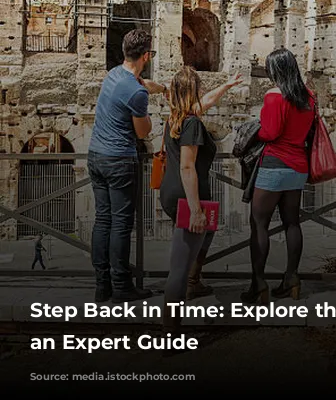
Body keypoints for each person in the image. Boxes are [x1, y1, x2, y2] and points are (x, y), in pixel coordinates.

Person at [160, 66, 243, 335]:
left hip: (172, 192)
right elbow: (187, 167)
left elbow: (204, 103)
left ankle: (194, 282)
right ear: (193, 91)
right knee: (179, 268)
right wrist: (195, 210)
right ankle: (170, 332)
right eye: (200, 87)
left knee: (206, 234)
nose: (204, 92)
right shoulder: (193, 123)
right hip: (187, 197)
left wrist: (227, 86)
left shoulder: (176, 117)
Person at [88, 28, 167, 303]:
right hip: (119, 160)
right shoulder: (136, 93)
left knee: (103, 220)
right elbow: (143, 132)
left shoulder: (113, 75)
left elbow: (137, 86)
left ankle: (102, 285)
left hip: (95, 156)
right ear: (146, 55)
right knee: (121, 224)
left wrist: (157, 88)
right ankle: (122, 286)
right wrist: (149, 111)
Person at [242, 48, 315, 304]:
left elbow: (270, 133)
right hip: (298, 166)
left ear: (276, 70)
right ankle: (291, 279)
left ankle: (258, 284)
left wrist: (254, 130)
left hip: (274, 164)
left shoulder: (275, 96)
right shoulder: (308, 97)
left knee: (259, 224)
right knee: (292, 223)